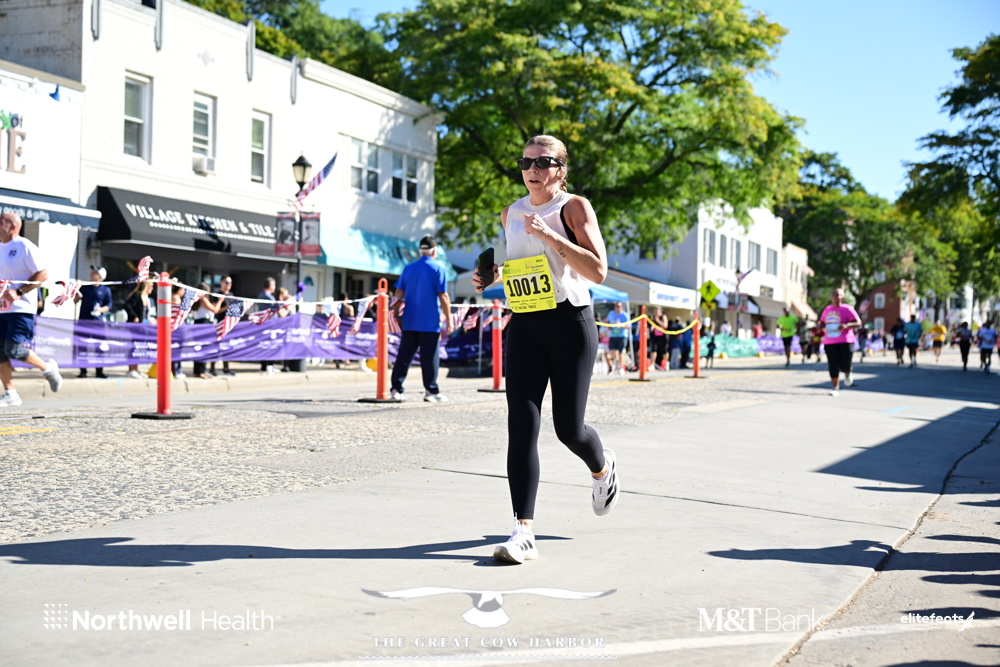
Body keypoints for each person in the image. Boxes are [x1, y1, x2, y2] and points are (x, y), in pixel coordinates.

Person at [472, 134, 618, 564]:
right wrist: (495, 276)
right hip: (526, 324)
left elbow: (598, 271)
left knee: (569, 429)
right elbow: (527, 266)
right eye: (526, 162)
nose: (532, 170)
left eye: (543, 162)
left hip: (571, 324)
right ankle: (523, 532)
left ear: (561, 169)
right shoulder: (510, 213)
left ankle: (602, 467)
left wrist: (551, 235)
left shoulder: (574, 207)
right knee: (521, 426)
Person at [0, 212, 62, 406]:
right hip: (2, 308)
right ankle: (11, 393)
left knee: (14, 350)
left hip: (21, 308)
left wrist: (19, 291)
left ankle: (48, 368)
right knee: (0, 352)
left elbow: (42, 274)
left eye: (1, 221)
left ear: (13, 227)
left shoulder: (24, 246)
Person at [390, 235, 453, 402]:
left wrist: (396, 314)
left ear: (420, 251)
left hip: (410, 320)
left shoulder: (408, 268)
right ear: (434, 251)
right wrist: (449, 319)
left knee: (404, 357)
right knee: (430, 357)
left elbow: (398, 293)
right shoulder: (438, 268)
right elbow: (443, 296)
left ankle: (396, 389)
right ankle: (431, 391)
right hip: (429, 321)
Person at [819, 287, 862, 396]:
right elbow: (822, 322)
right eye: (834, 294)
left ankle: (847, 372)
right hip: (830, 341)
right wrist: (821, 326)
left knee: (845, 364)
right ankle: (835, 388)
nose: (836, 296)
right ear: (831, 297)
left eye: (838, 294)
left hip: (845, 340)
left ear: (842, 297)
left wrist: (846, 325)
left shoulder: (847, 309)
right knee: (833, 365)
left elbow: (858, 323)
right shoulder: (827, 309)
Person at [75, 267, 113, 378]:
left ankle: (99, 371)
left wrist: (100, 310)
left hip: (97, 323)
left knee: (99, 346)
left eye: (95, 272)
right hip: (84, 321)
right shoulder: (85, 287)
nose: (92, 273)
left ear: (100, 277)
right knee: (82, 346)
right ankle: (83, 370)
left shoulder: (106, 289)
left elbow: (109, 305)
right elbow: (75, 301)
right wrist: (77, 296)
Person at [124, 280, 154, 378]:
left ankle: (136, 369)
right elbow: (127, 305)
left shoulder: (148, 299)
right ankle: (131, 369)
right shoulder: (136, 295)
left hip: (144, 326)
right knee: (133, 346)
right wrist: (134, 316)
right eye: (151, 286)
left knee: (139, 347)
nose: (152, 289)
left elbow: (148, 313)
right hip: (135, 326)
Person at [191, 282, 220, 379]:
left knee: (198, 348)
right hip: (204, 323)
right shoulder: (203, 299)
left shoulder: (196, 299)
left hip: (198, 323)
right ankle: (201, 371)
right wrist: (220, 301)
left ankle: (198, 371)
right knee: (203, 348)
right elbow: (215, 310)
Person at [211, 276, 236, 376]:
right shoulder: (217, 295)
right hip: (220, 323)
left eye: (230, 283)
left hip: (229, 324)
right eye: (227, 282)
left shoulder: (231, 295)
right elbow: (215, 310)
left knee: (227, 347)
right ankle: (212, 368)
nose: (229, 284)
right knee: (217, 347)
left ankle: (226, 368)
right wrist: (226, 307)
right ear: (221, 282)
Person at [257, 277, 276, 373]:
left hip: (265, 325)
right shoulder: (267, 296)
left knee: (265, 345)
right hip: (269, 326)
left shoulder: (262, 295)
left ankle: (265, 366)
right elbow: (276, 309)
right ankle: (267, 366)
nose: (275, 287)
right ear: (270, 285)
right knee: (269, 346)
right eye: (274, 285)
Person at [605, 302, 629, 375]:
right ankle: (619, 363)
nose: (617, 308)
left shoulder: (625, 315)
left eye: (619, 306)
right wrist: (608, 326)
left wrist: (621, 325)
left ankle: (621, 368)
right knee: (612, 351)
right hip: (613, 336)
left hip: (622, 336)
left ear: (622, 307)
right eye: (616, 306)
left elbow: (629, 326)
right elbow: (607, 321)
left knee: (621, 353)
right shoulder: (611, 313)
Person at [649, 306, 669, 370]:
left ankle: (666, 363)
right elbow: (652, 325)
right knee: (653, 349)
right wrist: (652, 327)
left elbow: (665, 325)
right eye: (654, 311)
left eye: (656, 311)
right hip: (655, 336)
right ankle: (652, 364)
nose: (655, 312)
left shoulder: (663, 316)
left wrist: (657, 320)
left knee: (664, 350)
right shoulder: (653, 317)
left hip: (663, 336)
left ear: (660, 311)